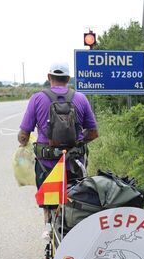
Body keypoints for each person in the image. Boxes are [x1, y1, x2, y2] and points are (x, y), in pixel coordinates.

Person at [18, 61, 99, 192]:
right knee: (75, 203)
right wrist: (77, 143)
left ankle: (49, 212)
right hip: (74, 165)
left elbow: (23, 135)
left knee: (48, 204)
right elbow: (93, 133)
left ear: (49, 76)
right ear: (68, 78)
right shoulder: (81, 98)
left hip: (46, 165)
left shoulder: (37, 98)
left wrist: (23, 143)